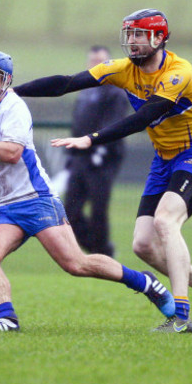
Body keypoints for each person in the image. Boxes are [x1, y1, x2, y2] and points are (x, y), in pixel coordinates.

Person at [12, 9, 192, 333]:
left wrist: (92, 138)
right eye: (129, 35)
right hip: (164, 160)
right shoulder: (123, 69)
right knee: (143, 245)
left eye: (139, 35)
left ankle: (182, 316)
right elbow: (67, 83)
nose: (132, 42)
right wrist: (12, 92)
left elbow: (144, 118)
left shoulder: (179, 72)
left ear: (158, 38)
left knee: (165, 221)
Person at [0, 50, 175, 333]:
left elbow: (12, 152)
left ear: (7, 80)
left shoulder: (14, 107)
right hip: (4, 203)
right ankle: (6, 319)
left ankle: (145, 283)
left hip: (36, 199)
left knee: (76, 264)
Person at [65, 45, 129, 257]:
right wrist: (71, 154)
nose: (96, 65)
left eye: (100, 61)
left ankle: (103, 253)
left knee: (98, 209)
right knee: (70, 210)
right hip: (79, 157)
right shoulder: (85, 91)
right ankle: (96, 250)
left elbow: (115, 125)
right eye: (92, 61)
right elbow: (77, 124)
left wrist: (99, 151)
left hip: (103, 159)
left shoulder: (115, 92)